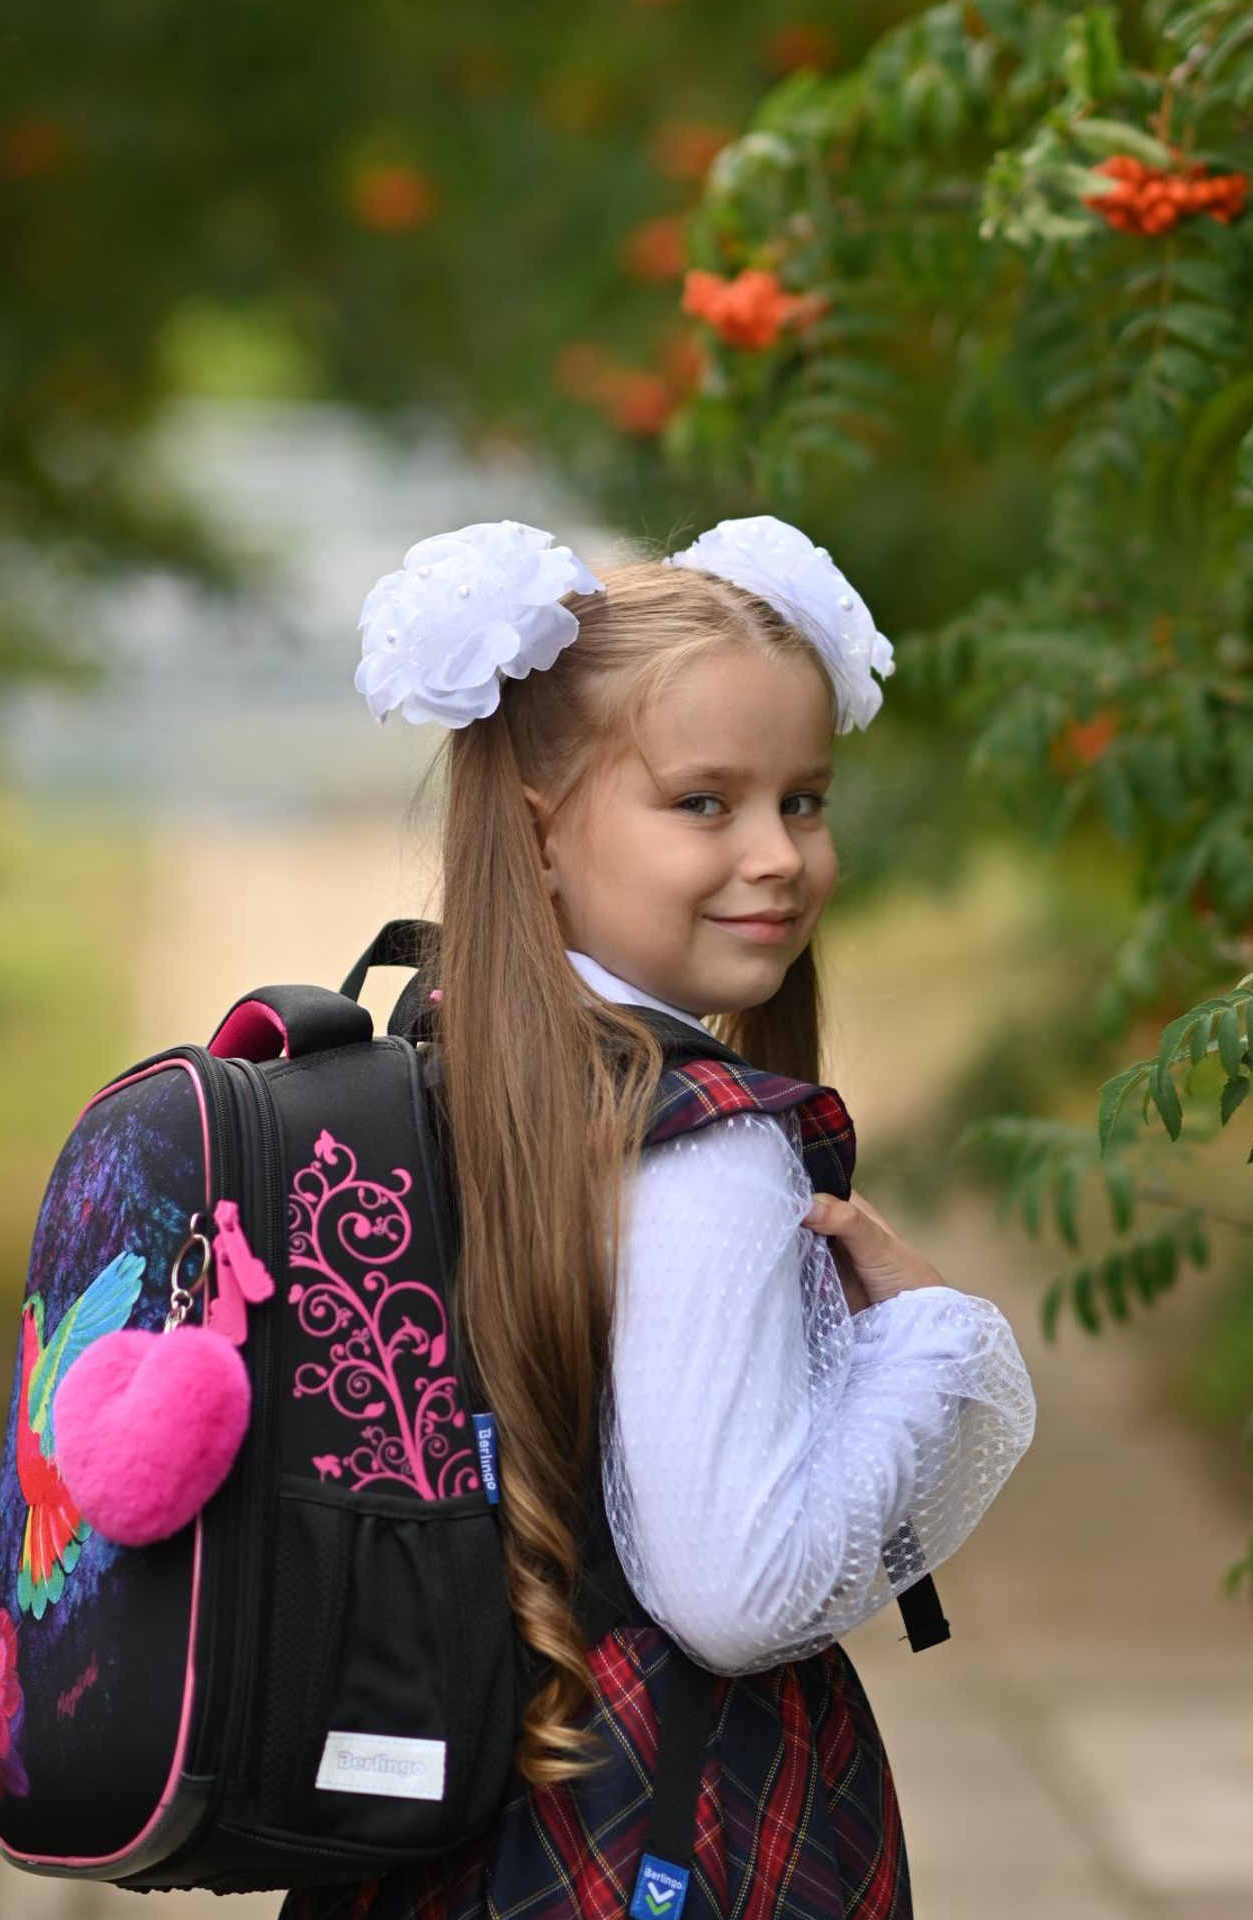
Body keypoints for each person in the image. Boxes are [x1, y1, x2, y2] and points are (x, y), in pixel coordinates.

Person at [284, 515, 1037, 1920]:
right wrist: (933, 1348)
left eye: (803, 800)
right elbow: (741, 1591)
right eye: (705, 803)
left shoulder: (454, 1059)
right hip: (657, 1834)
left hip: (459, 1826)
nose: (777, 856)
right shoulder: (700, 1151)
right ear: (542, 831)